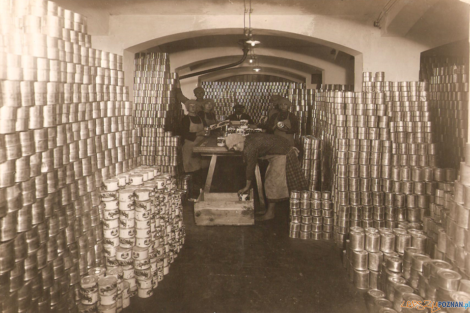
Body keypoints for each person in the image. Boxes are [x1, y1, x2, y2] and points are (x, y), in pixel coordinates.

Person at [225, 133, 308, 221]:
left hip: (283, 153)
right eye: (232, 148)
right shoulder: (248, 139)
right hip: (282, 148)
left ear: (239, 142)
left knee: (272, 183)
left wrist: (247, 187)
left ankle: (270, 214)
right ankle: (268, 210)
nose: (235, 149)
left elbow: (250, 168)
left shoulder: (250, 148)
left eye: (234, 146)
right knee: (271, 180)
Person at [181, 100, 207, 200]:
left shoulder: (200, 118)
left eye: (194, 106)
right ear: (187, 108)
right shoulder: (185, 119)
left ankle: (200, 193)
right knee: (190, 171)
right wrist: (198, 133)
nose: (193, 107)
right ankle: (191, 195)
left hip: (201, 146)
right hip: (190, 146)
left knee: (200, 170)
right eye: (191, 106)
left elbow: (206, 129)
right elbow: (184, 133)